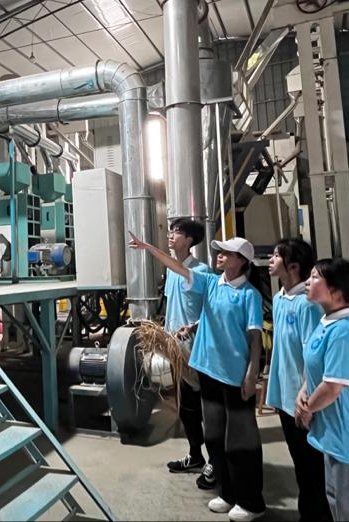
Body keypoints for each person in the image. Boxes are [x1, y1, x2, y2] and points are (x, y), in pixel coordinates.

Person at [129, 233, 266, 522]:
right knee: (214, 437)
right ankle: (227, 493)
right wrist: (147, 247)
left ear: (241, 261)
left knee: (240, 442)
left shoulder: (249, 295)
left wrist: (251, 375)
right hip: (208, 370)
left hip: (234, 376)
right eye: (219, 251)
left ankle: (251, 502)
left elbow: (255, 339)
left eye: (226, 253)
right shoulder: (212, 283)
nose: (219, 255)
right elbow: (177, 267)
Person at [296, 258, 349, 521]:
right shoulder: (327, 322)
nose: (307, 282)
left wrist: (308, 409)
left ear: (336, 290)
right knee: (340, 507)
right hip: (333, 434)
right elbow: (316, 367)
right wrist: (303, 392)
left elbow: (333, 387)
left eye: (314, 277)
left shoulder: (343, 332)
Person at [267, 239, 331, 522]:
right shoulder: (280, 299)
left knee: (312, 465)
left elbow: (313, 356)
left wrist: (307, 398)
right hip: (285, 396)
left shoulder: (308, 304)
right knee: (300, 463)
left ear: (293, 266)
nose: (270, 260)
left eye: (276, 256)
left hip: (303, 399)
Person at [162, 219, 215, 490]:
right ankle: (195, 455)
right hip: (176, 349)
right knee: (186, 407)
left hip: (197, 349)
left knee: (207, 407)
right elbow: (171, 306)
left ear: (191, 240)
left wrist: (193, 328)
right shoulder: (171, 270)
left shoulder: (201, 271)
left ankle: (215, 461)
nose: (172, 235)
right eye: (171, 231)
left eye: (178, 232)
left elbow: (211, 310)